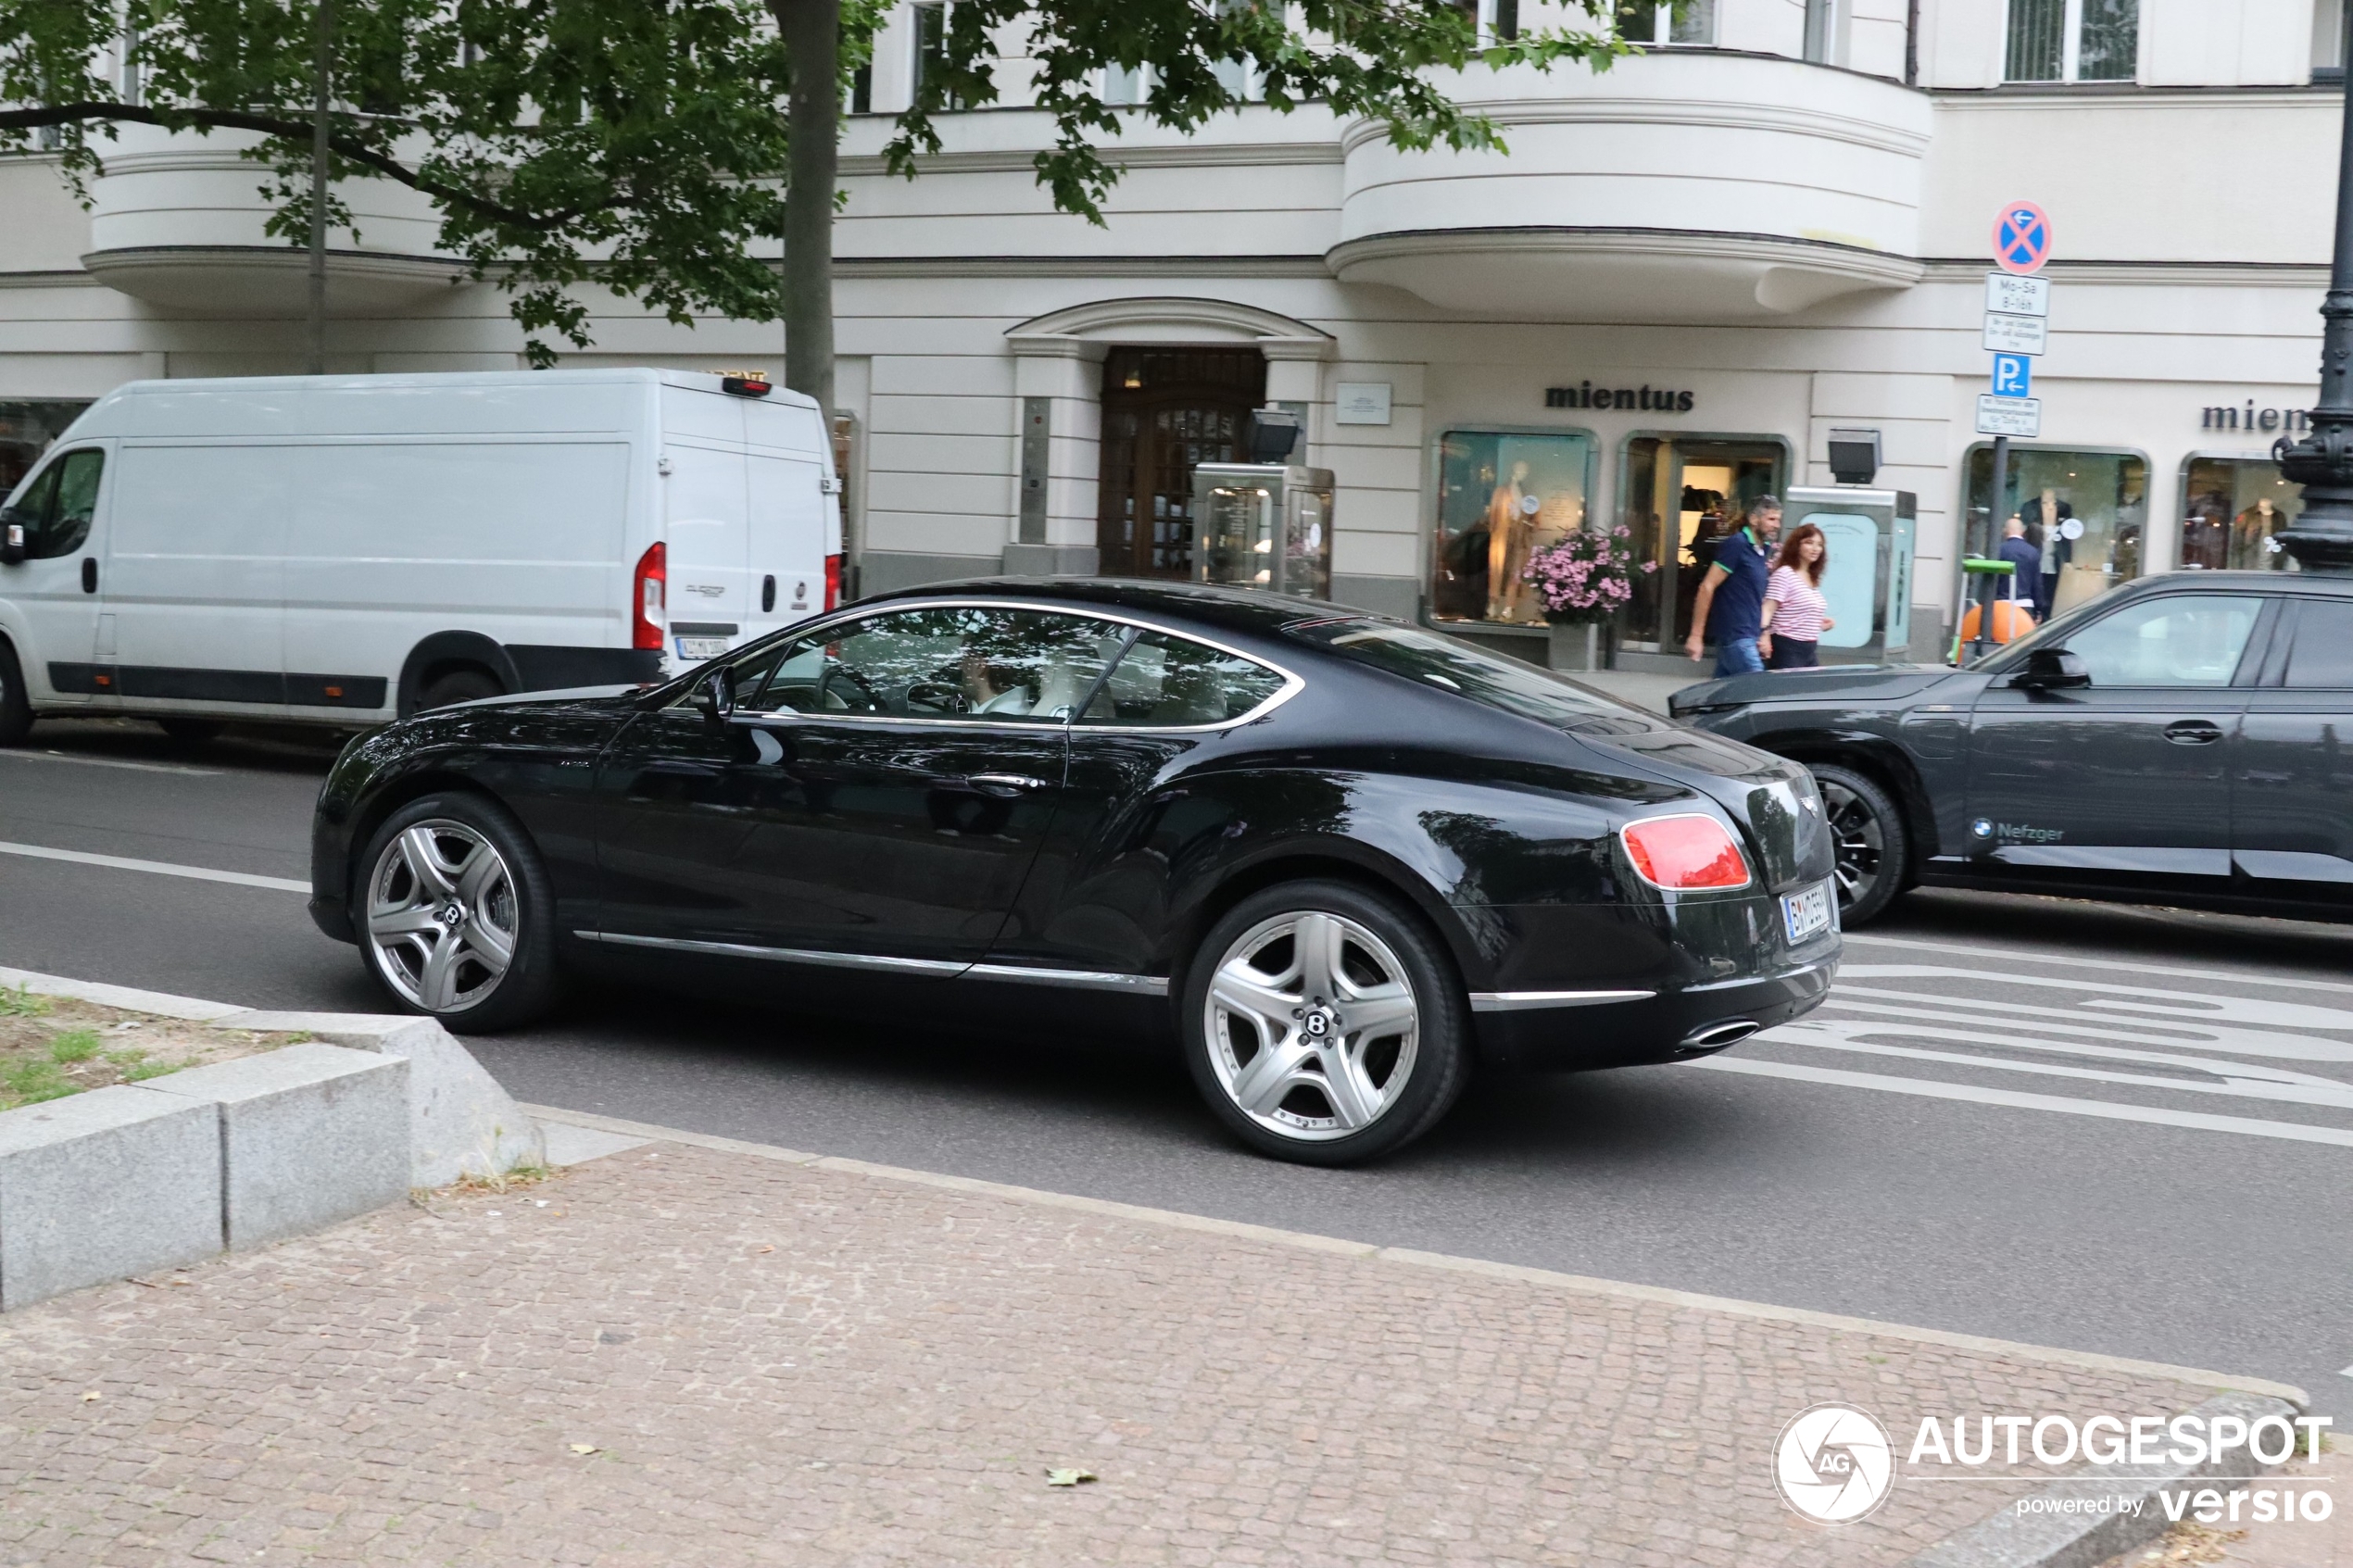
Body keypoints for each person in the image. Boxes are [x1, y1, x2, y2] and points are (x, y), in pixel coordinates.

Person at [1684, 495, 1781, 676]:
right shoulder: (1737, 544)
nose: (1776, 525)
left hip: (1747, 637)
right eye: (1771, 519)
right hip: (1736, 637)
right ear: (1753, 519)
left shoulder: (1762, 550)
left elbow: (1755, 597)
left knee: (1723, 699)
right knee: (1758, 693)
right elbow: (1707, 586)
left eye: (1778, 520)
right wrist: (1696, 636)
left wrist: (1763, 632)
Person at [1758, 523, 1832, 670]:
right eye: (1809, 543)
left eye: (1819, 545)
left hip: (1809, 648)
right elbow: (1768, 609)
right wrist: (1764, 635)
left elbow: (1795, 610)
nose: (1815, 548)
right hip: (1787, 646)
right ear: (1796, 545)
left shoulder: (1811, 578)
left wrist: (1819, 622)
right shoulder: (1785, 574)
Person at [1996, 516, 2042, 617]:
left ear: (2005, 531)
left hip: (2002, 603)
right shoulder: (2033, 552)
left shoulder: (1999, 550)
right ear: (2022, 531)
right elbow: (2037, 584)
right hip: (2025, 604)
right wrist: (2038, 609)